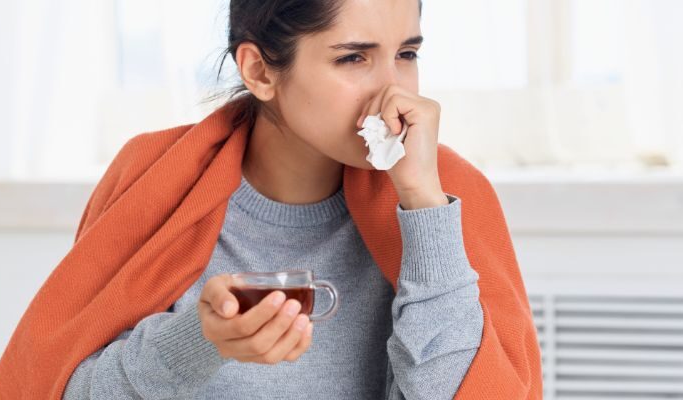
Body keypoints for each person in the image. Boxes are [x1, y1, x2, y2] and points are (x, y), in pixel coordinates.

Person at [61, 0, 483, 398]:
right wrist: (201, 340)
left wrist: (424, 202)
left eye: (407, 55)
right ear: (260, 71)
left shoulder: (439, 199)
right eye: (353, 58)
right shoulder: (156, 185)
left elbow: (468, 391)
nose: (393, 94)